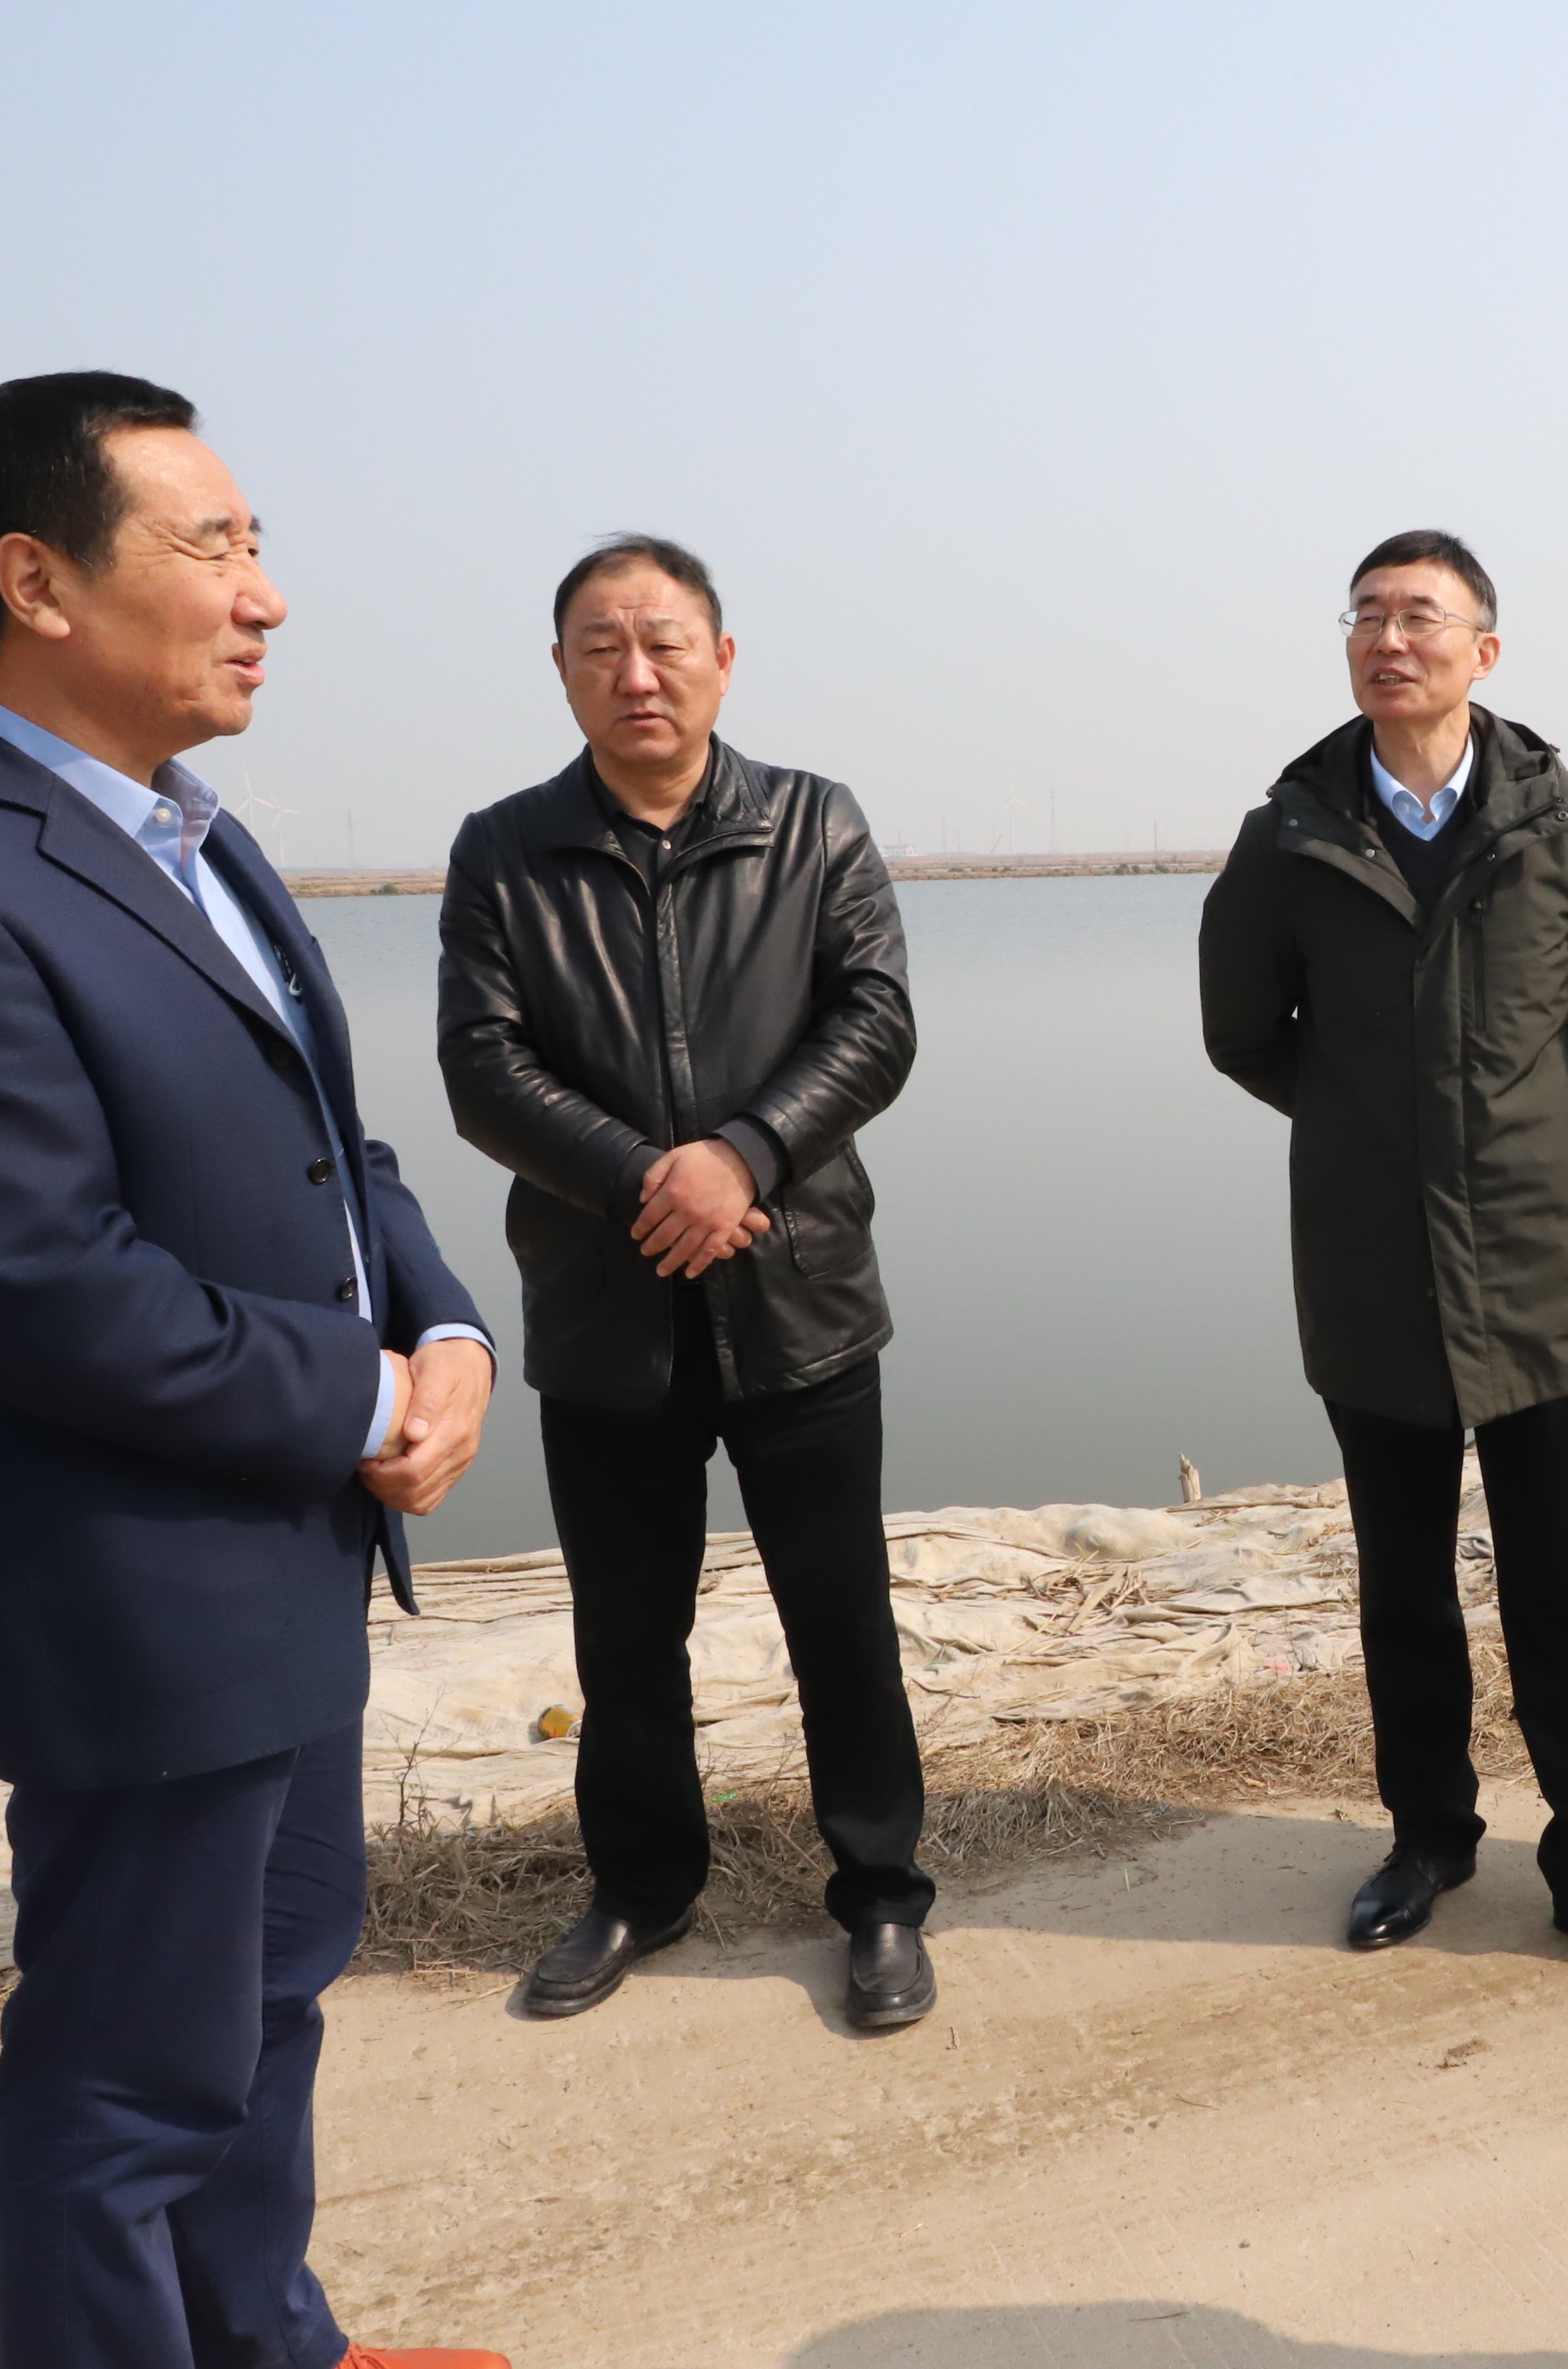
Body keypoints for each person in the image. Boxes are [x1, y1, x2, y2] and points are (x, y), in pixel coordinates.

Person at [0, 373, 506, 2369]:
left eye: (260, 546)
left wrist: (446, 1326)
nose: (266, 596)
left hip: (291, 1563)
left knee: (264, 2013)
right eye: (214, 548)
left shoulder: (196, 834)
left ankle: (273, 2348)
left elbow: (330, 1147)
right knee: (125, 2088)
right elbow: (34, 1283)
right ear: (38, 581)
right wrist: (363, 1396)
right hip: (134, 1594)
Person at [1198, 529, 1568, 1995]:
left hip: (1543, 1265)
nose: (1390, 639)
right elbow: (1244, 1035)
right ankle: (1427, 1841)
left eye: (1421, 616)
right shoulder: (1289, 837)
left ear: (1484, 651)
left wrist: (1517, 1128)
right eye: (1366, 615)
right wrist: (1373, 1125)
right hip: (1372, 1265)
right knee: (1405, 1588)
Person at [438, 534, 935, 2029]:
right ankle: (643, 1887)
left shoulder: (811, 822)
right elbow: (482, 1068)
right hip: (609, 1312)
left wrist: (745, 1154)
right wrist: (649, 1182)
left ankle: (880, 1895)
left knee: (841, 1621)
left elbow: (877, 1020)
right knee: (626, 1635)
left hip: (798, 1296)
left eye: (664, 642)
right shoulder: (505, 850)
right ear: (562, 672)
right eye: (603, 647)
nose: (637, 673)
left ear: (723, 658)